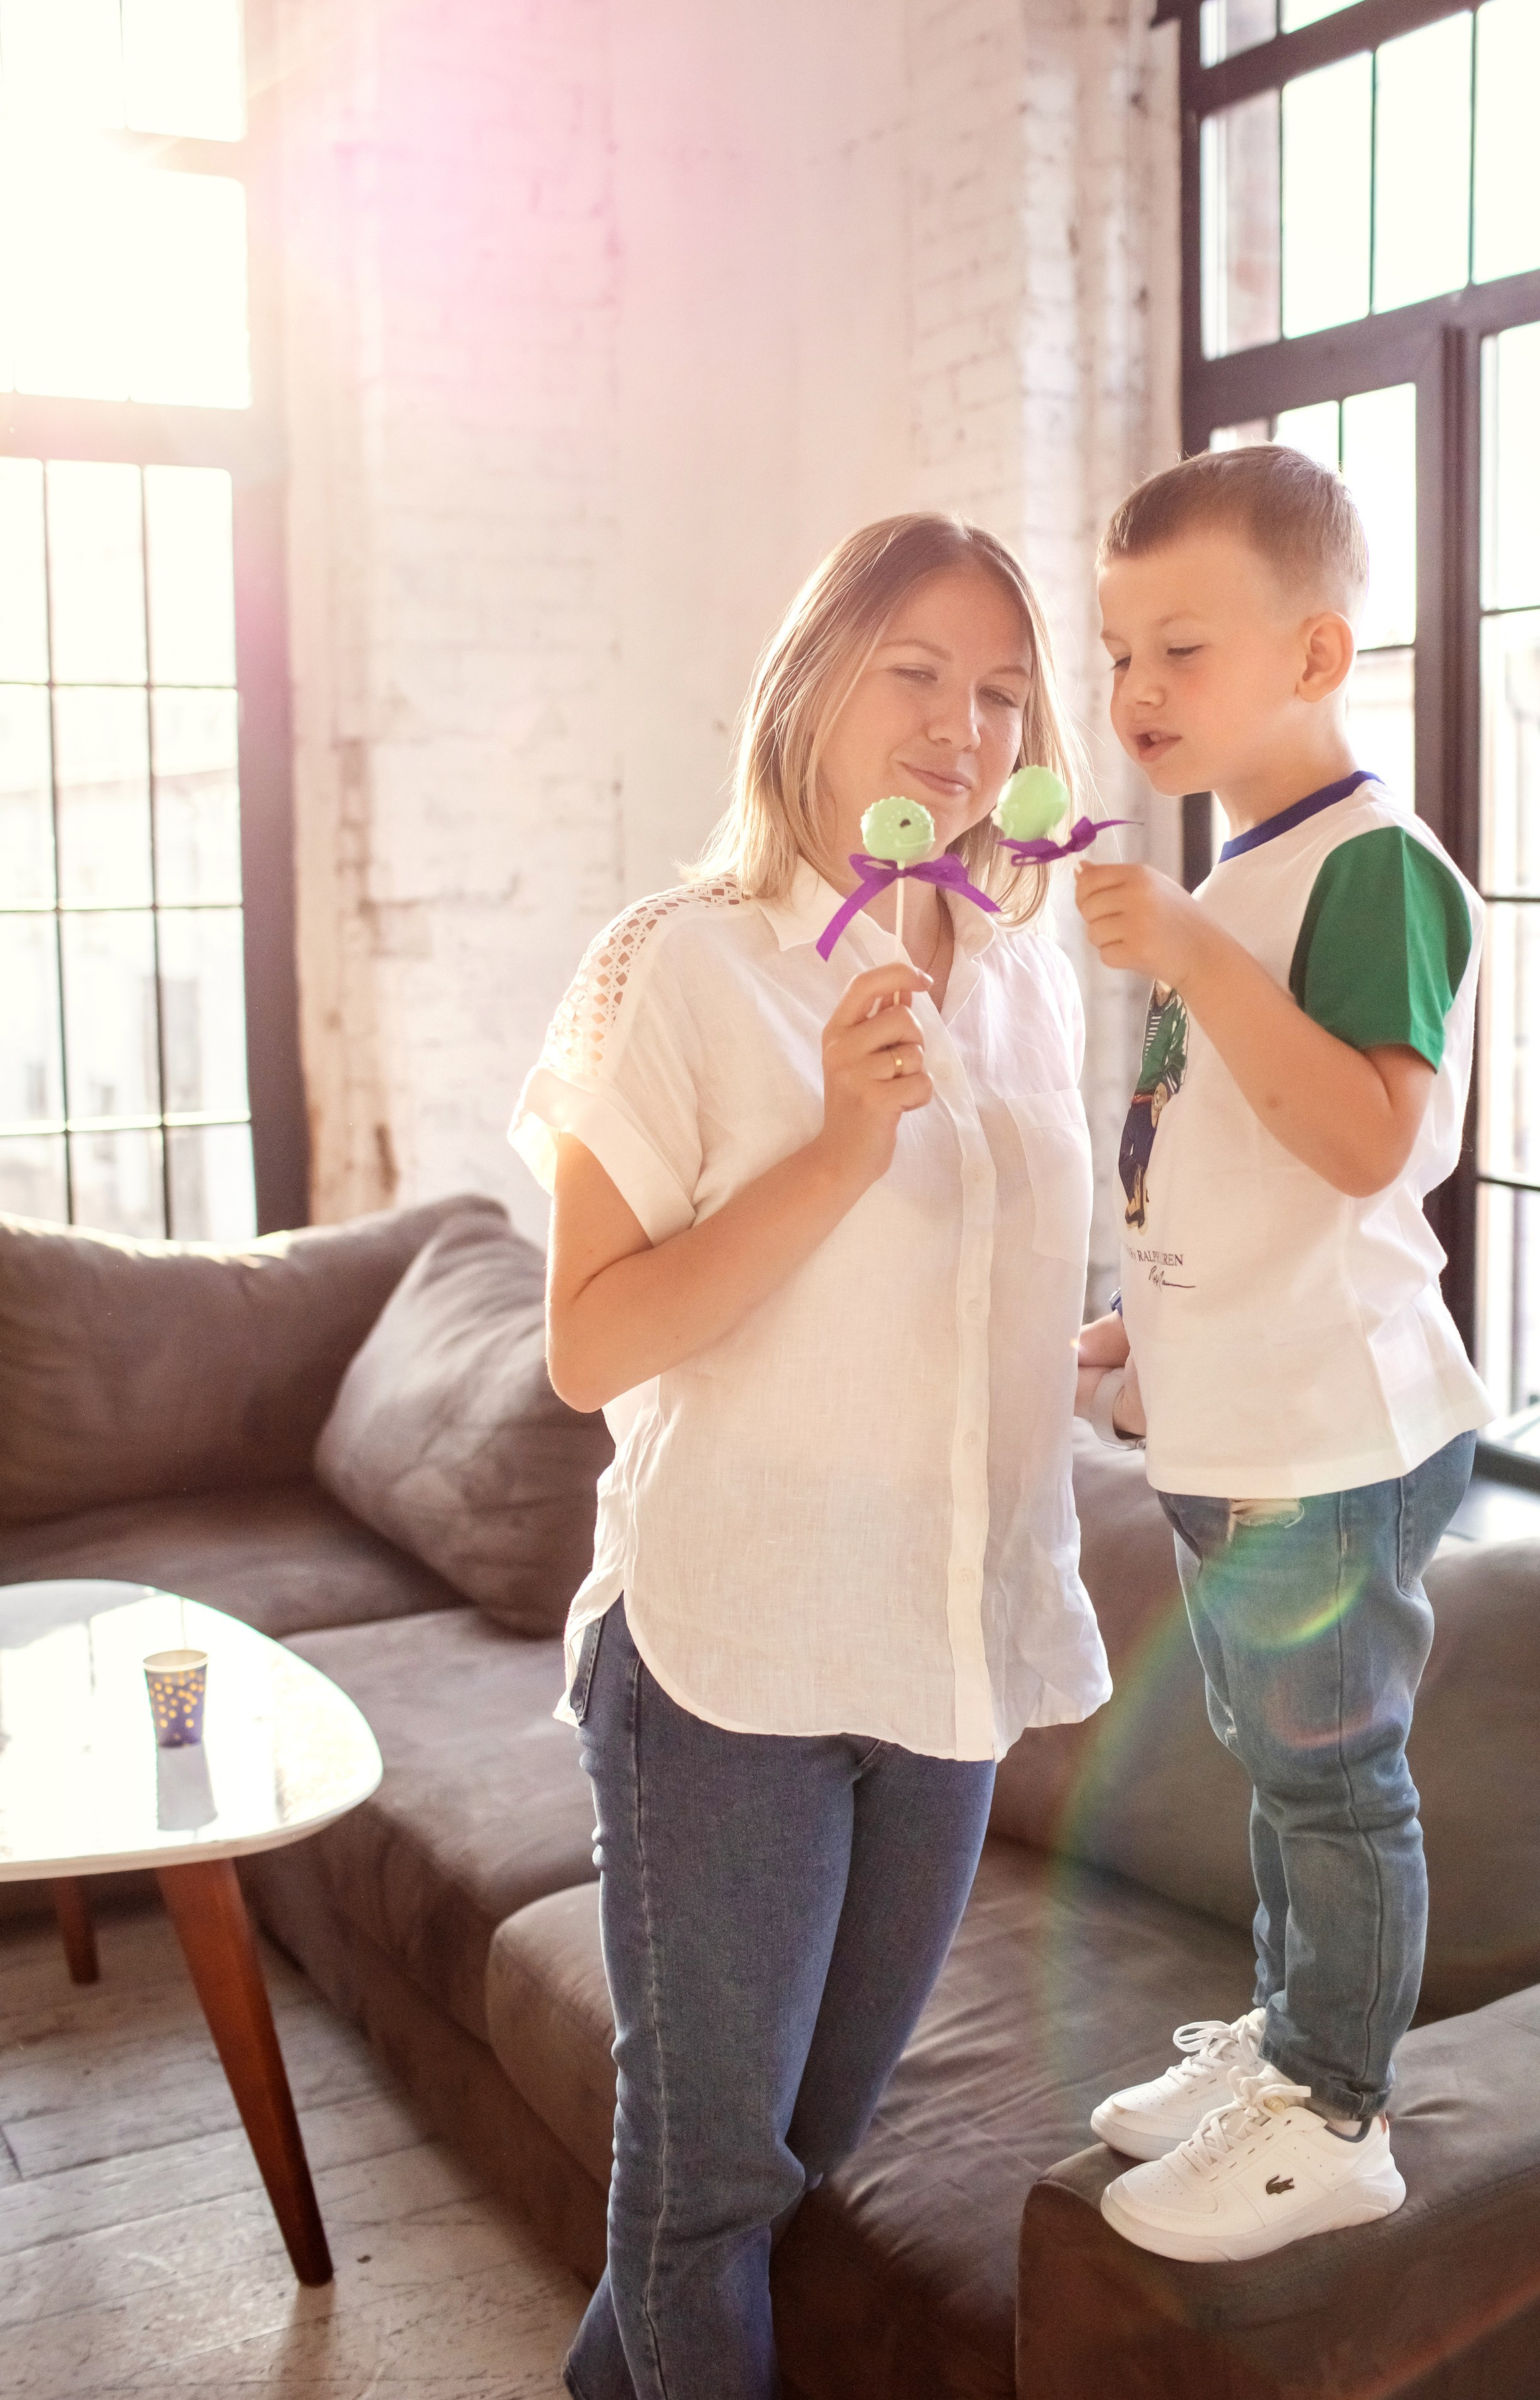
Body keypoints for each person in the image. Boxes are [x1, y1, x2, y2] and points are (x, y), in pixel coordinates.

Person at [509, 512, 1110, 2399]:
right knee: (700, 2200)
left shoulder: (1029, 970)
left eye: (1001, 689)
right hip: (729, 1661)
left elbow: (981, 1305)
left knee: (776, 2169)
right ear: (816, 684)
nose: (961, 722)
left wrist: (1127, 1346)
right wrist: (837, 1150)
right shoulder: (683, 964)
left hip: (944, 1660)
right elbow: (591, 1340)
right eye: (917, 670)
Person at [1070, 444, 1491, 2264]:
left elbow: (1361, 1138)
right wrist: (1139, 1319)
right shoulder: (1238, 874)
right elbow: (1232, 1167)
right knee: (1279, 1766)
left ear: (1318, 654)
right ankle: (1288, 2037)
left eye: (1182, 648)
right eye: (1116, 653)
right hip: (1239, 1423)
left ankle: (1333, 2109)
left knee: (1332, 1781)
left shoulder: (1370, 867)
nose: (1134, 692)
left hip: (1335, 1431)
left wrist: (1186, 953)